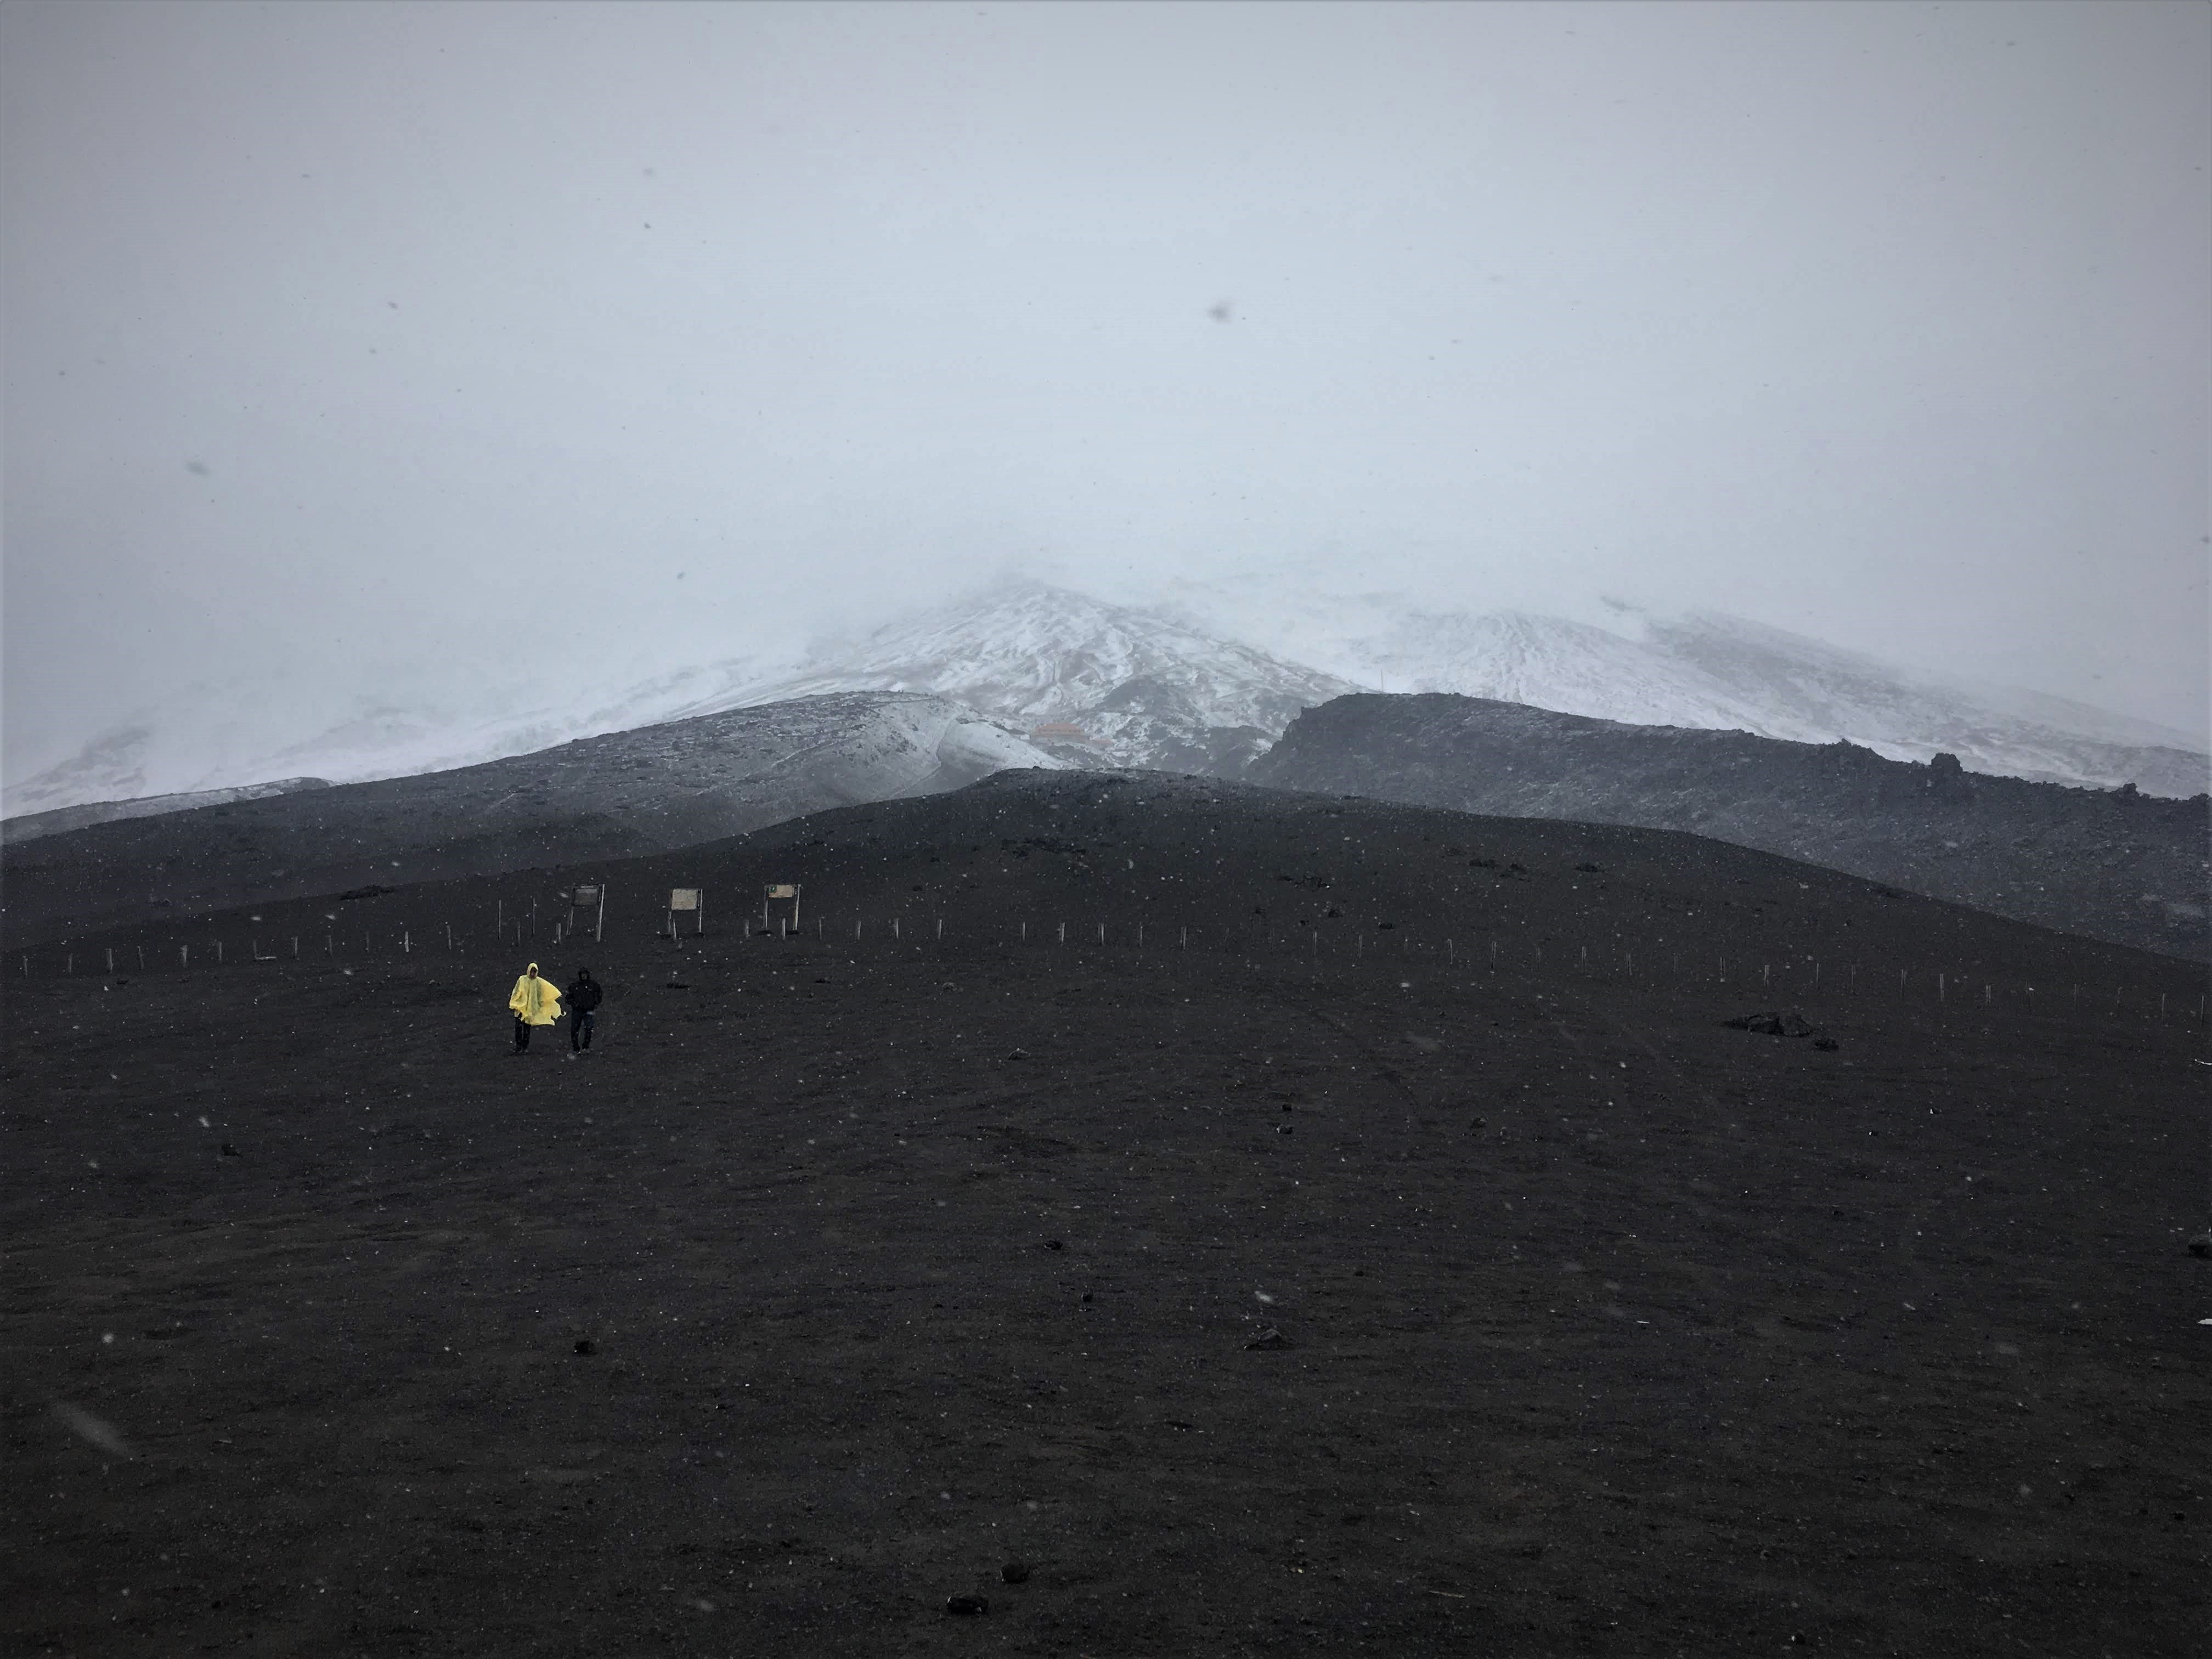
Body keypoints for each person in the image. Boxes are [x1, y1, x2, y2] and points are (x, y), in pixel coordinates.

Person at [507, 961, 562, 1053]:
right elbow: (516, 992)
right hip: (521, 1009)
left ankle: (524, 1047)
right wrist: (515, 1003)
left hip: (530, 1010)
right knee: (519, 1028)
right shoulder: (522, 980)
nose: (533, 974)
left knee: (527, 1029)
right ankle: (519, 1046)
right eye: (532, 972)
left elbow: (542, 994)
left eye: (534, 972)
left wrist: (541, 1004)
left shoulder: (538, 982)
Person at [566, 967, 603, 1056]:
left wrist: (595, 1003)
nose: (584, 976)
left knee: (589, 1029)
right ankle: (576, 1048)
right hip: (577, 1011)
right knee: (574, 1030)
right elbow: (568, 999)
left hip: (589, 1011)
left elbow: (599, 995)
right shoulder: (574, 986)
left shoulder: (594, 985)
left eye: (585, 974)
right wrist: (575, 1004)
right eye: (582, 974)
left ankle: (586, 1047)